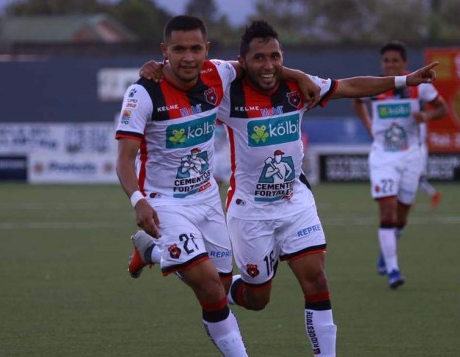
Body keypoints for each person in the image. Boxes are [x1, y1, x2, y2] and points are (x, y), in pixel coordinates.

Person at [139, 21, 437, 356]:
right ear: (243, 61)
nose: (268, 66)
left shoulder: (299, 88)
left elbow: (350, 86)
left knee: (317, 280)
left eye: (275, 57)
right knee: (256, 300)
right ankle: (161, 254)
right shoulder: (226, 94)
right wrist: (156, 68)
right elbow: (187, 75)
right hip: (250, 211)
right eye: (259, 58)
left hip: (295, 202)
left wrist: (404, 80)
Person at [117, 15, 321, 357]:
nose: (188, 57)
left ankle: (152, 251)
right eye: (178, 49)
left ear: (206, 50)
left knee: (224, 285)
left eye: (196, 48)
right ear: (164, 51)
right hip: (164, 203)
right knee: (211, 288)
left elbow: (261, 67)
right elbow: (124, 159)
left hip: (208, 199)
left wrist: (298, 75)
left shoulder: (218, 73)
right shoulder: (142, 93)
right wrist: (138, 200)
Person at [352, 40, 448, 289]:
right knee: (387, 210)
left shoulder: (419, 87)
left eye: (395, 61)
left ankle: (388, 250)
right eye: (386, 61)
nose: (390, 65)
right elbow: (357, 102)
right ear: (382, 63)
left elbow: (443, 108)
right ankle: (394, 270)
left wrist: (426, 115)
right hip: (383, 156)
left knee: (402, 215)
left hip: (412, 155)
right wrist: (370, 128)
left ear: (405, 63)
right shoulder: (375, 85)